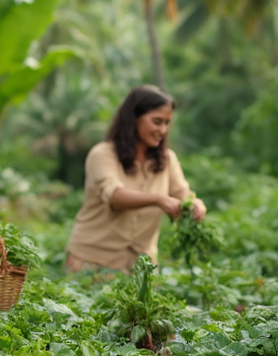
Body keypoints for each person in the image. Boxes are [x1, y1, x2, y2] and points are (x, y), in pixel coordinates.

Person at [65, 85, 206, 272]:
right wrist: (158, 199)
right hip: (92, 261)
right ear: (134, 119)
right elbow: (115, 196)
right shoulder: (103, 154)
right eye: (157, 122)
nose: (163, 130)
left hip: (141, 266)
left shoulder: (167, 159)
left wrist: (195, 203)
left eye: (167, 123)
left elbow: (182, 192)